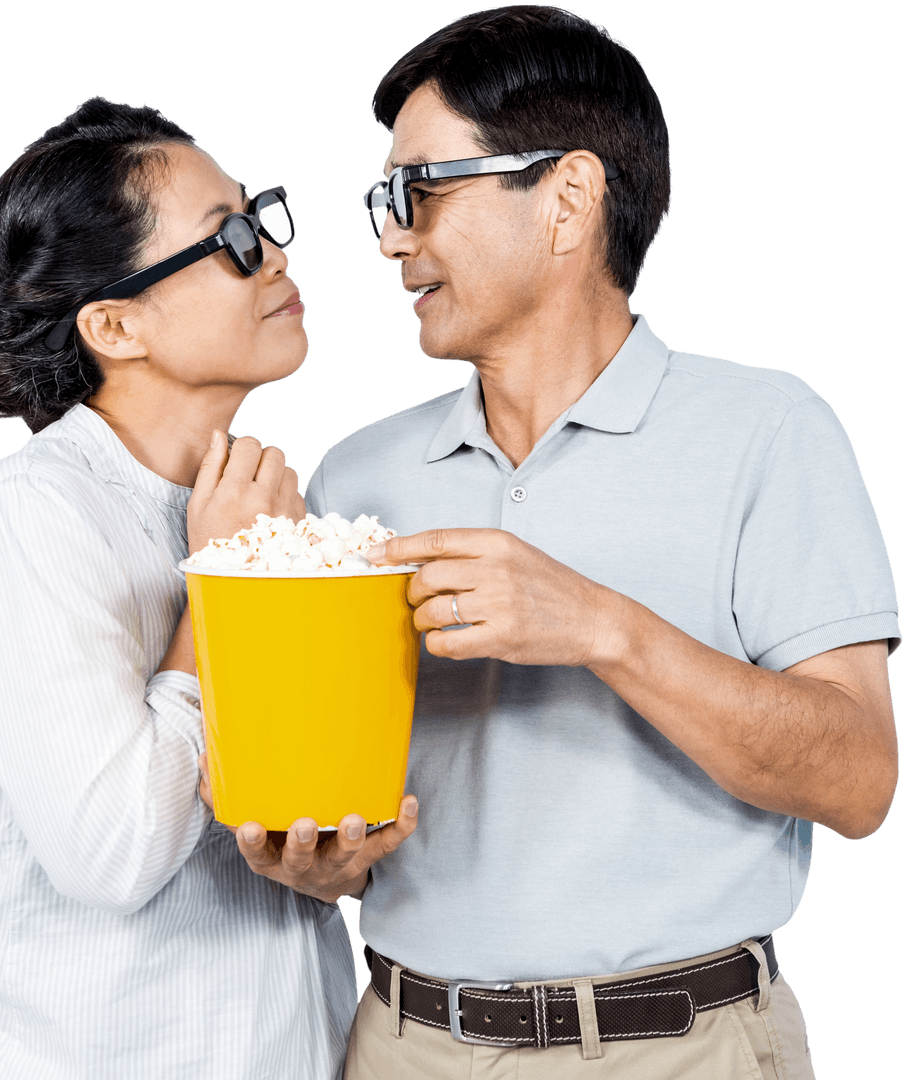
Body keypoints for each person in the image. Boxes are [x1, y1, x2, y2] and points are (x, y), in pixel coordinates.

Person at [224, 8, 900, 1079]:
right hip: (406, 1046)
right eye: (380, 204)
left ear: (569, 198)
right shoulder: (356, 477)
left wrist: (600, 626)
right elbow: (347, 813)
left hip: (689, 1052)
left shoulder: (771, 430)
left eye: (421, 191)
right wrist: (319, 861)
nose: (393, 238)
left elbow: (862, 781)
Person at [0, 97, 416, 1080]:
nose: (272, 251)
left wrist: (331, 865)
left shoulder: (253, 508)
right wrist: (219, 594)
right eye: (228, 238)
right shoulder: (33, 518)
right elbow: (112, 853)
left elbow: (272, 821)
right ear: (114, 324)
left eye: (261, 215)